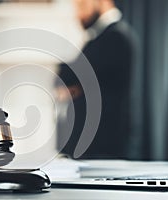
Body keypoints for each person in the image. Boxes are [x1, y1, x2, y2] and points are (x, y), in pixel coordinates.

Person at [57, 0, 137, 159]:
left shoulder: (115, 38)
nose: (78, 14)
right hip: (92, 147)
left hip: (102, 149)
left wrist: (76, 85)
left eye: (81, 5)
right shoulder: (101, 38)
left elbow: (67, 74)